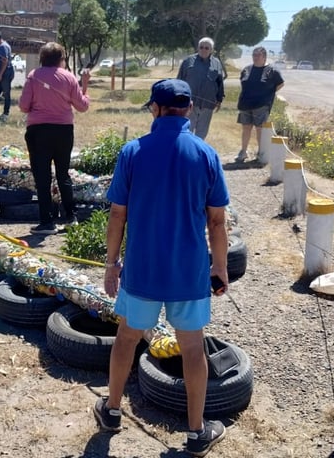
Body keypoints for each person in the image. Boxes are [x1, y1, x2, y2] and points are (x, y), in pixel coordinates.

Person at [93, 79, 230, 457]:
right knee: (191, 348)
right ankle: (197, 432)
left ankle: (112, 410)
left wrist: (111, 264)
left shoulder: (132, 152)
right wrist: (219, 267)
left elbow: (117, 213)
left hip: (142, 269)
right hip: (188, 272)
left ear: (155, 108)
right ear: (187, 109)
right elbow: (217, 222)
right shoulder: (206, 154)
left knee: (126, 338)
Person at [18, 41, 90, 235]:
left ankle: (47, 222)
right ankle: (70, 217)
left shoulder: (33, 77)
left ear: (42, 58)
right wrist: (85, 87)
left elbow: (24, 106)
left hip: (38, 131)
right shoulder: (69, 77)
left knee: (42, 177)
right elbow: (82, 107)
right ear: (61, 59)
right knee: (63, 174)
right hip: (64, 131)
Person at [235, 46, 285, 162]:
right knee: (246, 128)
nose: (255, 58)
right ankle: (243, 152)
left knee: (260, 130)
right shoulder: (246, 69)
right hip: (245, 104)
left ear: (264, 57)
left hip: (262, 105)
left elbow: (280, 84)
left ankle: (261, 153)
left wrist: (268, 94)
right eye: (254, 55)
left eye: (258, 55)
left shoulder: (272, 71)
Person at [177, 37, 226, 140]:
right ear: (198, 48)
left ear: (211, 50)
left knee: (202, 134)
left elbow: (219, 83)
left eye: (207, 48)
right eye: (201, 47)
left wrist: (219, 99)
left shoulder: (216, 63)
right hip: (189, 104)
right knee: (186, 132)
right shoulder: (188, 61)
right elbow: (179, 81)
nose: (203, 50)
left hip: (208, 105)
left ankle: (198, 153)